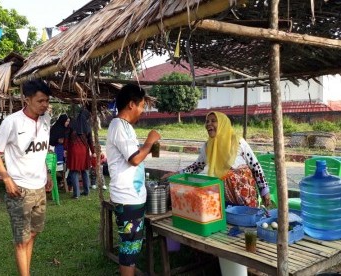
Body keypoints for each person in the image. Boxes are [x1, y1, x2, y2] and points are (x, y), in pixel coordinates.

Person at [0, 79, 53, 276]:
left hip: (39, 187)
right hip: (20, 190)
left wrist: (47, 173)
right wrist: (6, 178)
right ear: (27, 99)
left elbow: (40, 151)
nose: (45, 105)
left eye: (47, 101)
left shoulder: (46, 120)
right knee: (21, 240)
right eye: (40, 101)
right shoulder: (12, 122)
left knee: (32, 234)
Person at [106, 84, 161, 276]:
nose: (143, 111)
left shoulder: (125, 127)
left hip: (133, 197)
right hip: (126, 198)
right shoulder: (118, 125)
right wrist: (150, 141)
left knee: (133, 245)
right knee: (129, 247)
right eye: (142, 106)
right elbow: (135, 158)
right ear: (131, 104)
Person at [166, 111, 271, 208]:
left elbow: (255, 166)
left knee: (247, 221)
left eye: (213, 121)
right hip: (223, 194)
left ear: (222, 124)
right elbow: (197, 167)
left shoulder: (237, 141)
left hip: (244, 192)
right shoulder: (207, 147)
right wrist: (178, 173)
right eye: (207, 121)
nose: (208, 124)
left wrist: (264, 191)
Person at [65, 109, 95, 199]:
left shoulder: (72, 124)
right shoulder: (88, 126)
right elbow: (90, 141)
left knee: (74, 172)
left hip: (74, 151)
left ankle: (76, 194)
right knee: (85, 171)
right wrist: (93, 152)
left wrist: (65, 148)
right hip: (84, 152)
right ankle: (86, 191)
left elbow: (66, 138)